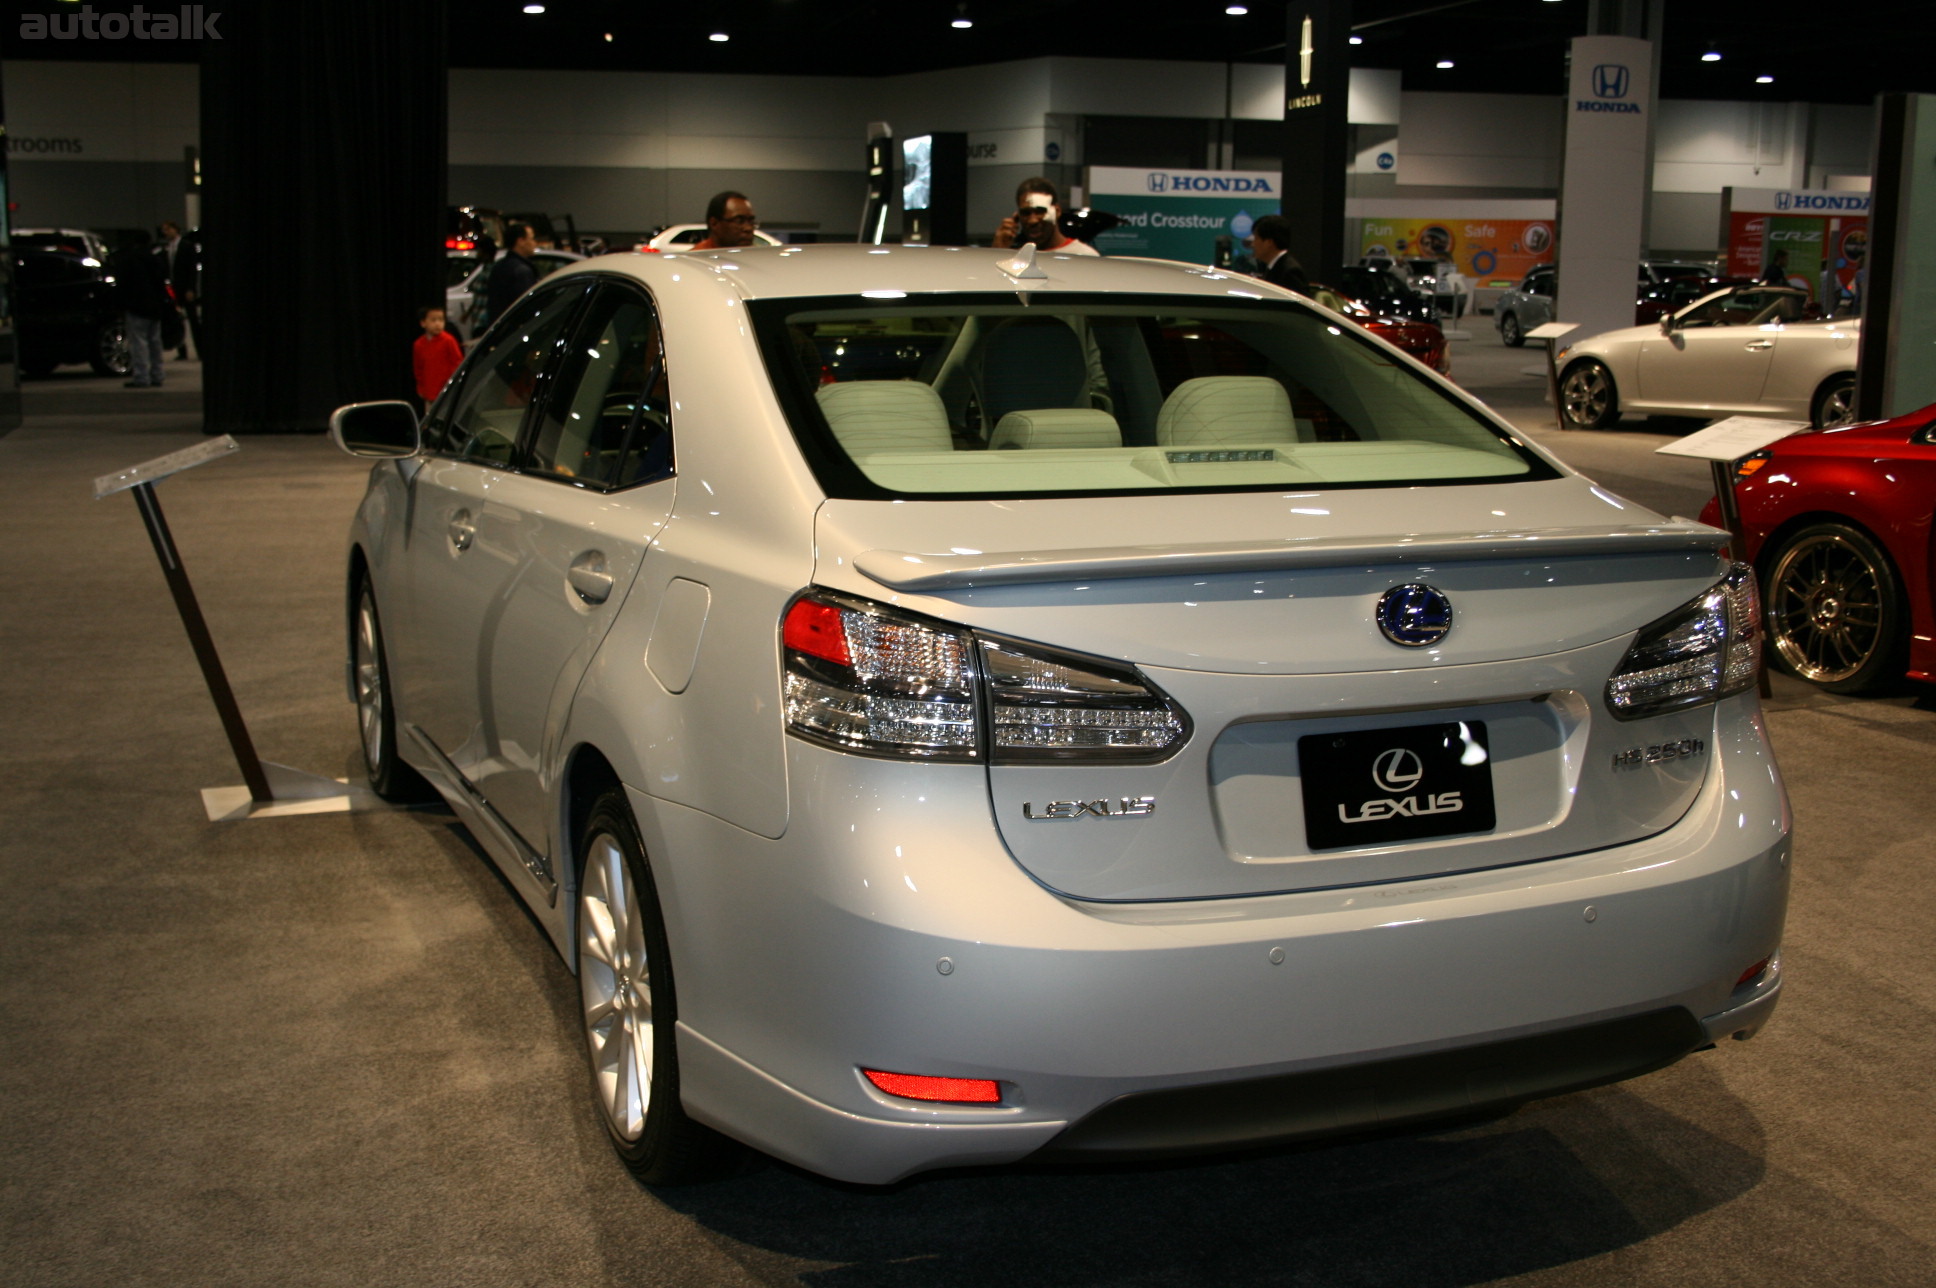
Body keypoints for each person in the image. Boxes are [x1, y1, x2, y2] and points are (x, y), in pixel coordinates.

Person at [110, 228, 176, 388]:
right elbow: (162, 283)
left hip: (137, 306)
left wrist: (120, 304)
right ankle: (157, 375)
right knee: (155, 343)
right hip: (155, 307)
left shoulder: (129, 260)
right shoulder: (155, 259)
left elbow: (123, 284)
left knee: (139, 343)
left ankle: (142, 377)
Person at [992, 178, 1099, 255]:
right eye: (1026, 213)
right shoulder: (1015, 258)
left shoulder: (1084, 256)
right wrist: (998, 251)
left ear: (1057, 211)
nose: (1032, 220)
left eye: (1040, 211)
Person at [483, 221, 539, 328]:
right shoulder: (521, 271)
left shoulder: (498, 266)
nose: (534, 243)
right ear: (521, 241)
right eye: (532, 239)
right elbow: (527, 308)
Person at [413, 305, 464, 409]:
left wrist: (452, 384)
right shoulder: (418, 344)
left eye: (441, 320)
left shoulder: (449, 340)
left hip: (447, 391)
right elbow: (418, 368)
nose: (438, 324)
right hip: (429, 392)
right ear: (423, 323)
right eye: (433, 320)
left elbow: (458, 363)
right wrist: (421, 388)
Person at [158, 220, 196, 359]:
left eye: (168, 229)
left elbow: (191, 269)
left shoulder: (187, 246)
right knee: (175, 319)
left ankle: (200, 349)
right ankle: (182, 351)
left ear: (175, 229)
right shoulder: (166, 247)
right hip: (173, 288)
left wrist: (191, 288)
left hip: (185, 287)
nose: (166, 233)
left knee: (193, 319)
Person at [1248, 215, 1311, 296]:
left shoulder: (1290, 272)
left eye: (1256, 238)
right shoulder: (1273, 267)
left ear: (1269, 242)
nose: (1253, 244)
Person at [692, 191, 759, 249]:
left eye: (751, 221)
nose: (748, 228)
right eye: (739, 221)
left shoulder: (755, 255)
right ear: (714, 223)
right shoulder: (697, 257)